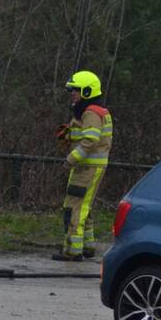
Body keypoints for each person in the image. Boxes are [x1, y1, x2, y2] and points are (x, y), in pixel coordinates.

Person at [54, 70, 113, 261]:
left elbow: (90, 140)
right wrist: (68, 134)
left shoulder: (90, 112)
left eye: (76, 90)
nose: (72, 94)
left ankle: (72, 250)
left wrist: (71, 158)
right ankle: (87, 246)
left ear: (87, 91)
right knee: (84, 206)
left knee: (74, 207)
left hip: (86, 167)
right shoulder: (92, 111)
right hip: (89, 166)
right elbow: (85, 136)